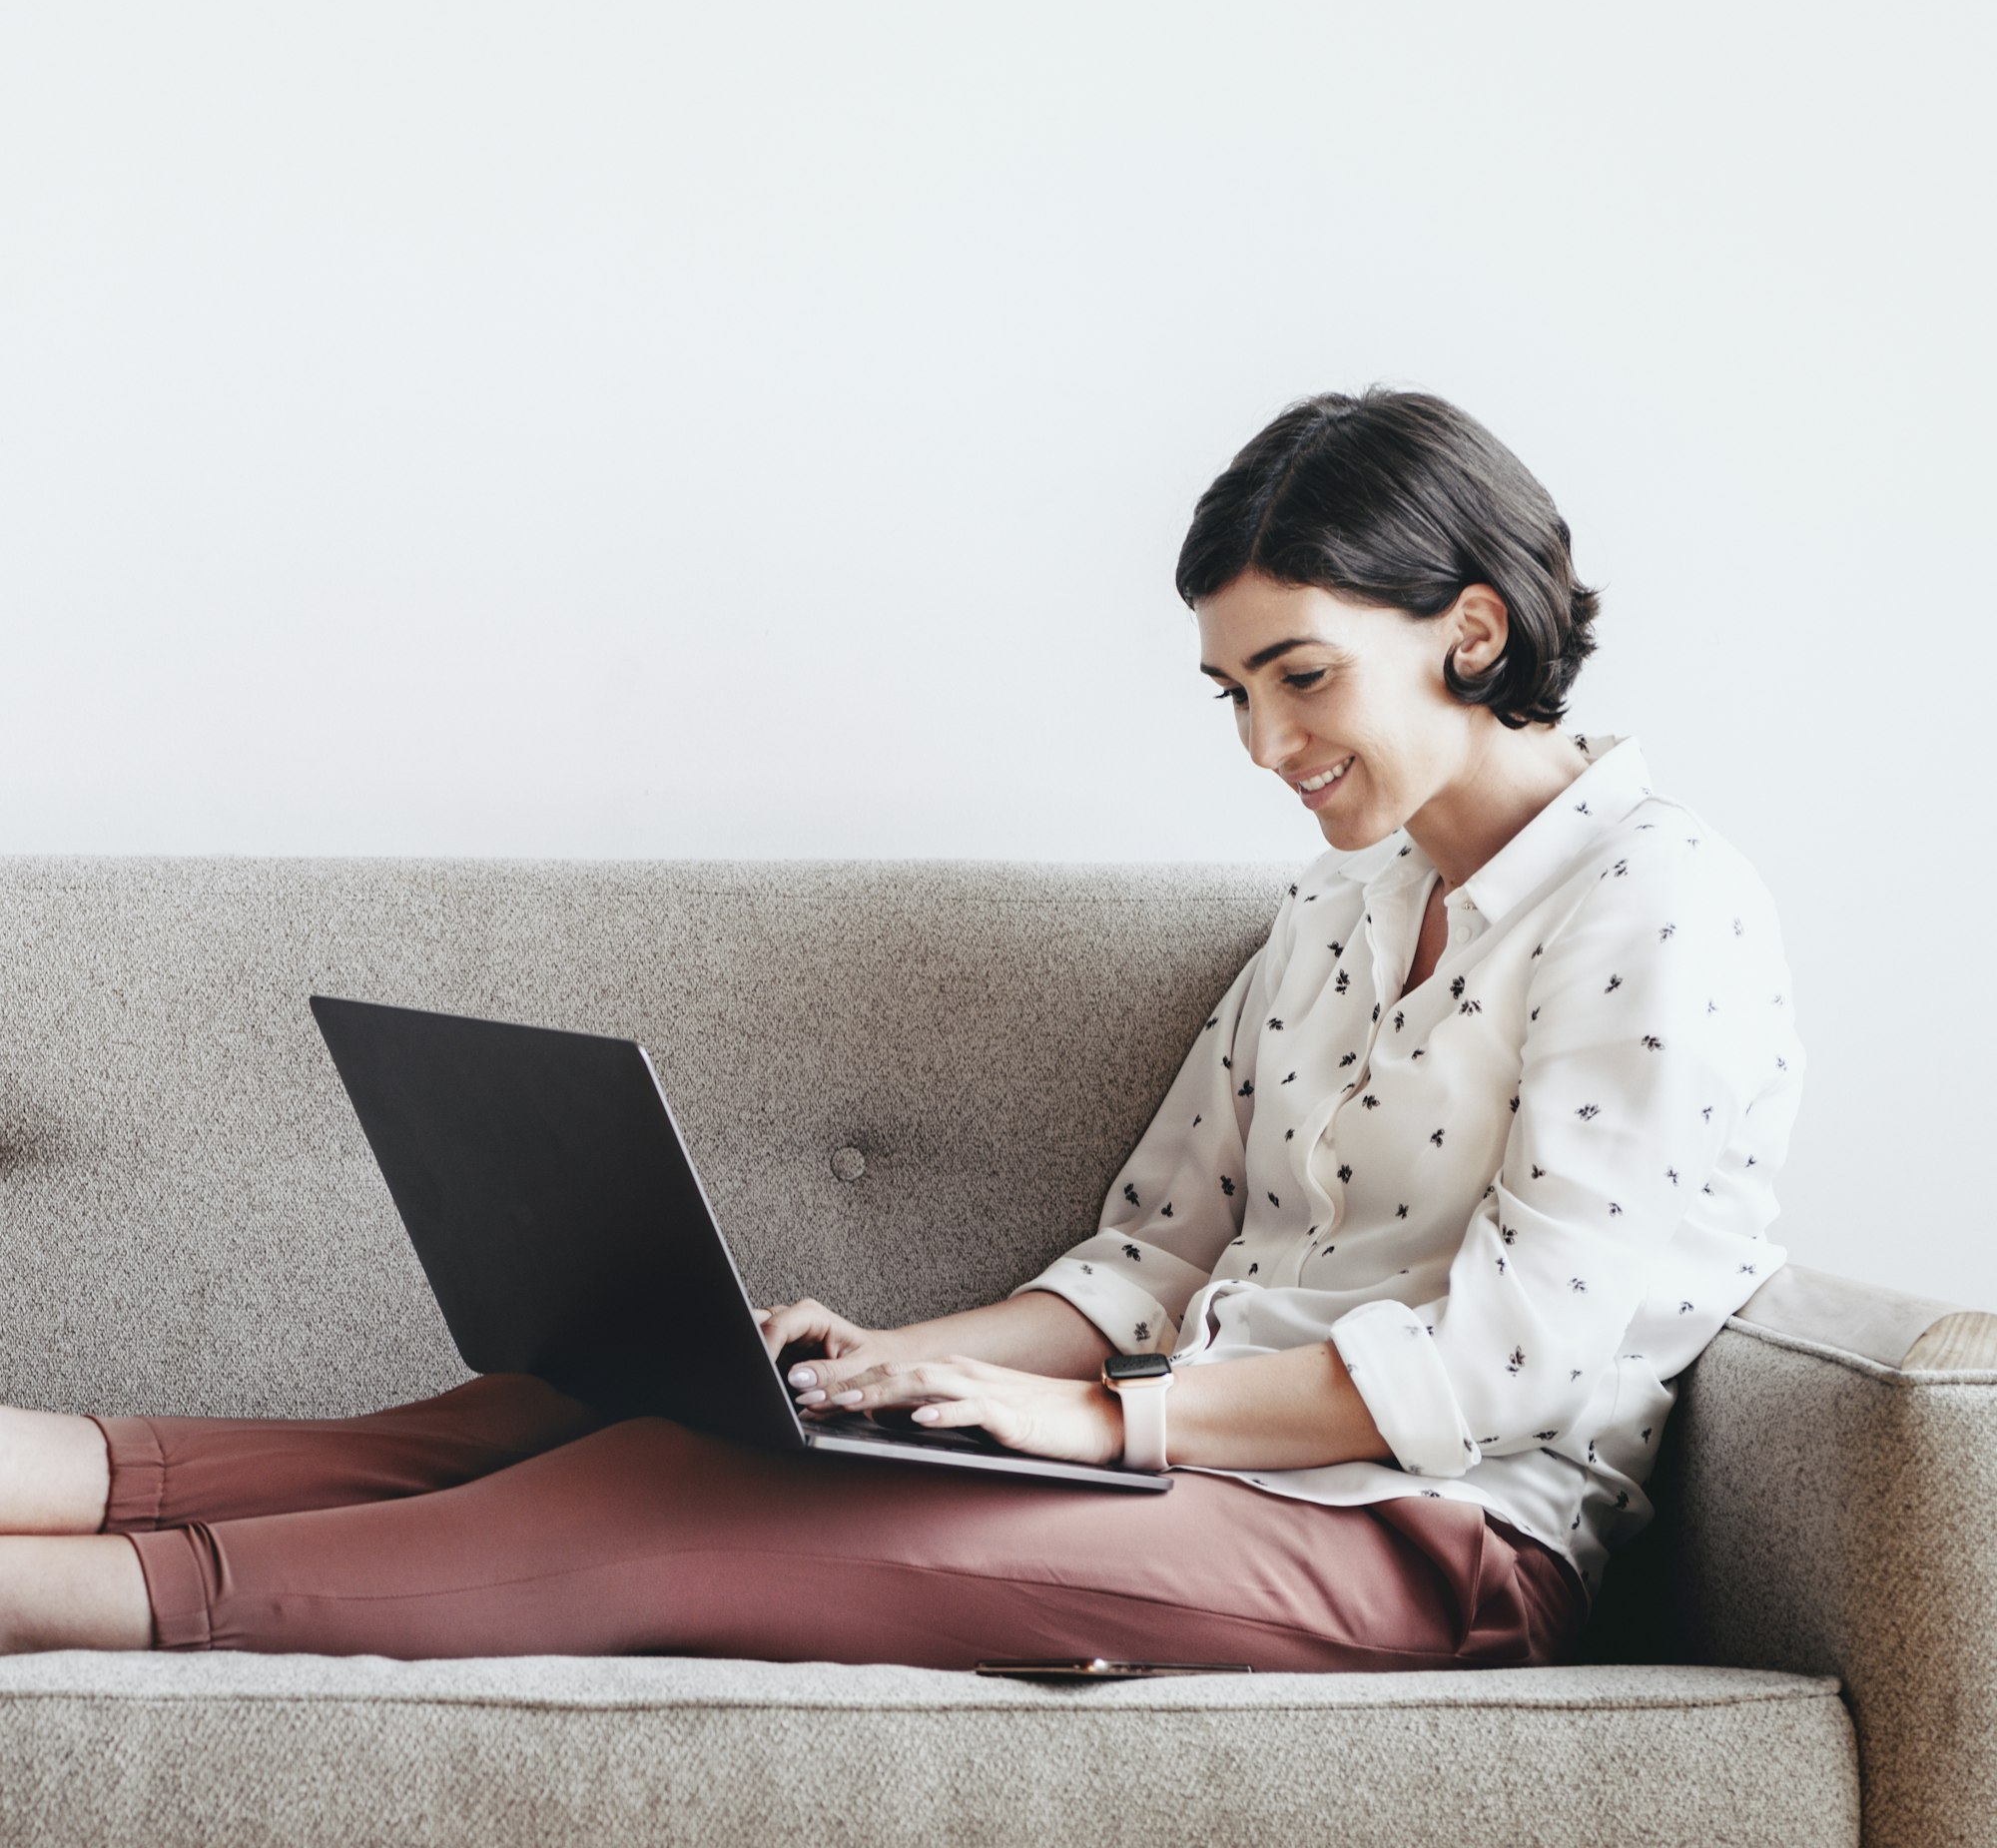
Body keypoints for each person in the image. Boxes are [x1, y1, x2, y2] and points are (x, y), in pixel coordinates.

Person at [0, 385, 1803, 1668]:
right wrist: (890, 1363)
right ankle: (66, 1464)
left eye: (1302, 675)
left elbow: (1516, 1361)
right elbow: (1148, 1254)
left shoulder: (1663, 904)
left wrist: (1101, 1428)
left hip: (1431, 1539)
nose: (1264, 745)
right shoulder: (1343, 901)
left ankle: (80, 1599)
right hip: (1185, 1443)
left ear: (1472, 631)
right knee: (600, 1401)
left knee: (668, 1502)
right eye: (1232, 691)